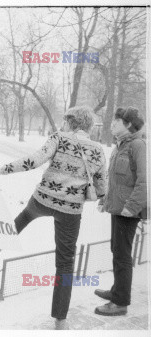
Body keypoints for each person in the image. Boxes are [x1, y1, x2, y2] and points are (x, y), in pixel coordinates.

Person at [0, 106, 107, 330]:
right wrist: (98, 197)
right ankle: (60, 319)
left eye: (65, 121)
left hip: (43, 200)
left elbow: (33, 160)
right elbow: (102, 186)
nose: (62, 125)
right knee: (65, 263)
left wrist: (2, 170)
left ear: (72, 122)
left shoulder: (59, 138)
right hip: (71, 211)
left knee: (24, 216)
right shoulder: (98, 150)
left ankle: (0, 243)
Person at [94, 107, 147, 316]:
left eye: (116, 122)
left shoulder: (138, 145)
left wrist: (130, 207)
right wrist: (104, 201)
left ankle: (121, 302)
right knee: (117, 250)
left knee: (122, 255)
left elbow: (145, 182)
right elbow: (116, 181)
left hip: (128, 212)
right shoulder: (120, 146)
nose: (112, 124)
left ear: (127, 125)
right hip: (118, 209)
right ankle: (117, 290)